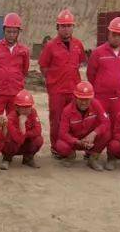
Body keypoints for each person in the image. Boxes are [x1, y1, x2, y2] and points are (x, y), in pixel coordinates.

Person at [37, 9, 87, 156]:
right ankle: (56, 147)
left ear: (73, 27)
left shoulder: (78, 44)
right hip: (57, 91)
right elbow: (43, 66)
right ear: (57, 28)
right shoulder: (50, 46)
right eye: (63, 26)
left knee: (73, 119)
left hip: (73, 90)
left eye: (69, 26)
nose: (66, 29)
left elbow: (81, 62)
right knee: (56, 119)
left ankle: (70, 144)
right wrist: (53, 80)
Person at [86, 16, 120, 128]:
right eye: (114, 34)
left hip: (118, 97)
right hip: (101, 97)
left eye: (119, 35)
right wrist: (102, 86)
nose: (116, 38)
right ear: (109, 34)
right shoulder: (98, 52)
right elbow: (90, 74)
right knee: (99, 124)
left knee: (117, 125)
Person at [54, 81, 110, 170]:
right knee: (60, 145)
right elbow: (62, 133)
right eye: (81, 99)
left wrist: (93, 134)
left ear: (91, 98)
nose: (84, 103)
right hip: (75, 141)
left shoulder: (96, 104)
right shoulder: (67, 110)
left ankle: (93, 159)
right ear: (75, 97)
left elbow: (106, 122)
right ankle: (71, 156)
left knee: (107, 134)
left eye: (87, 99)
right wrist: (77, 142)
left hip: (90, 139)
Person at [0, 13, 30, 116]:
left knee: (13, 122)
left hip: (15, 93)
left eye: (14, 32)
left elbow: (24, 70)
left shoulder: (24, 51)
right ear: (4, 31)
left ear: (18, 32)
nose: (11, 35)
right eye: (9, 31)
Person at [1, 90, 43, 169]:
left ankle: (28, 159)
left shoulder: (33, 112)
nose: (27, 110)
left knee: (38, 139)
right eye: (24, 107)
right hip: (14, 146)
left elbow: (38, 130)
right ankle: (7, 159)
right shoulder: (11, 118)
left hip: (24, 142)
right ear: (17, 107)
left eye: (29, 107)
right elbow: (18, 139)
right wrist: (21, 124)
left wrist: (25, 133)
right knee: (10, 140)